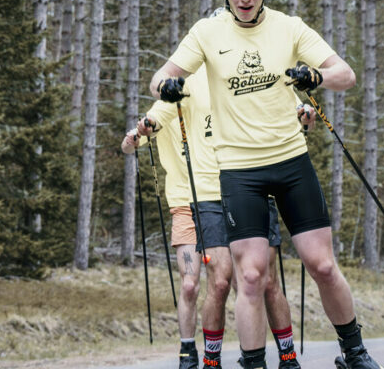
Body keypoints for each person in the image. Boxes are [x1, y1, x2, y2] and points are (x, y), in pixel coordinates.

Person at [149, 0, 384, 369]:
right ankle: (254, 362)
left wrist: (315, 75)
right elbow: (160, 77)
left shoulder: (289, 27)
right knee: (253, 275)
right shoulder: (207, 32)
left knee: (322, 264)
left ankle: (355, 351)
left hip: (291, 162)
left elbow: (345, 74)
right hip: (239, 170)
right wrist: (165, 86)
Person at [124, 63, 305, 369]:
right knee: (208, 282)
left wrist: (302, 114)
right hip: (200, 196)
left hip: (252, 187)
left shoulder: (248, 78)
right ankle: (201, 356)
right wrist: (139, 133)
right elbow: (147, 126)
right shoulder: (186, 86)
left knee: (261, 281)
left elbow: (287, 104)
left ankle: (277, 357)